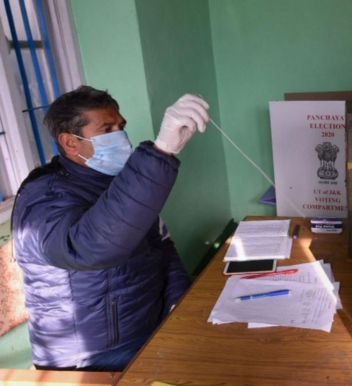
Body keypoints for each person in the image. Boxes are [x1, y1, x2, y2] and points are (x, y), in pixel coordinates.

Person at [12, 86, 209, 371]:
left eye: (121, 127)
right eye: (107, 130)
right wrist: (161, 150)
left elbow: (161, 246)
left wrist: (179, 305)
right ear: (70, 143)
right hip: (89, 357)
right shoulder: (45, 196)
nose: (120, 136)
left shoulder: (118, 182)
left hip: (147, 328)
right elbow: (90, 249)